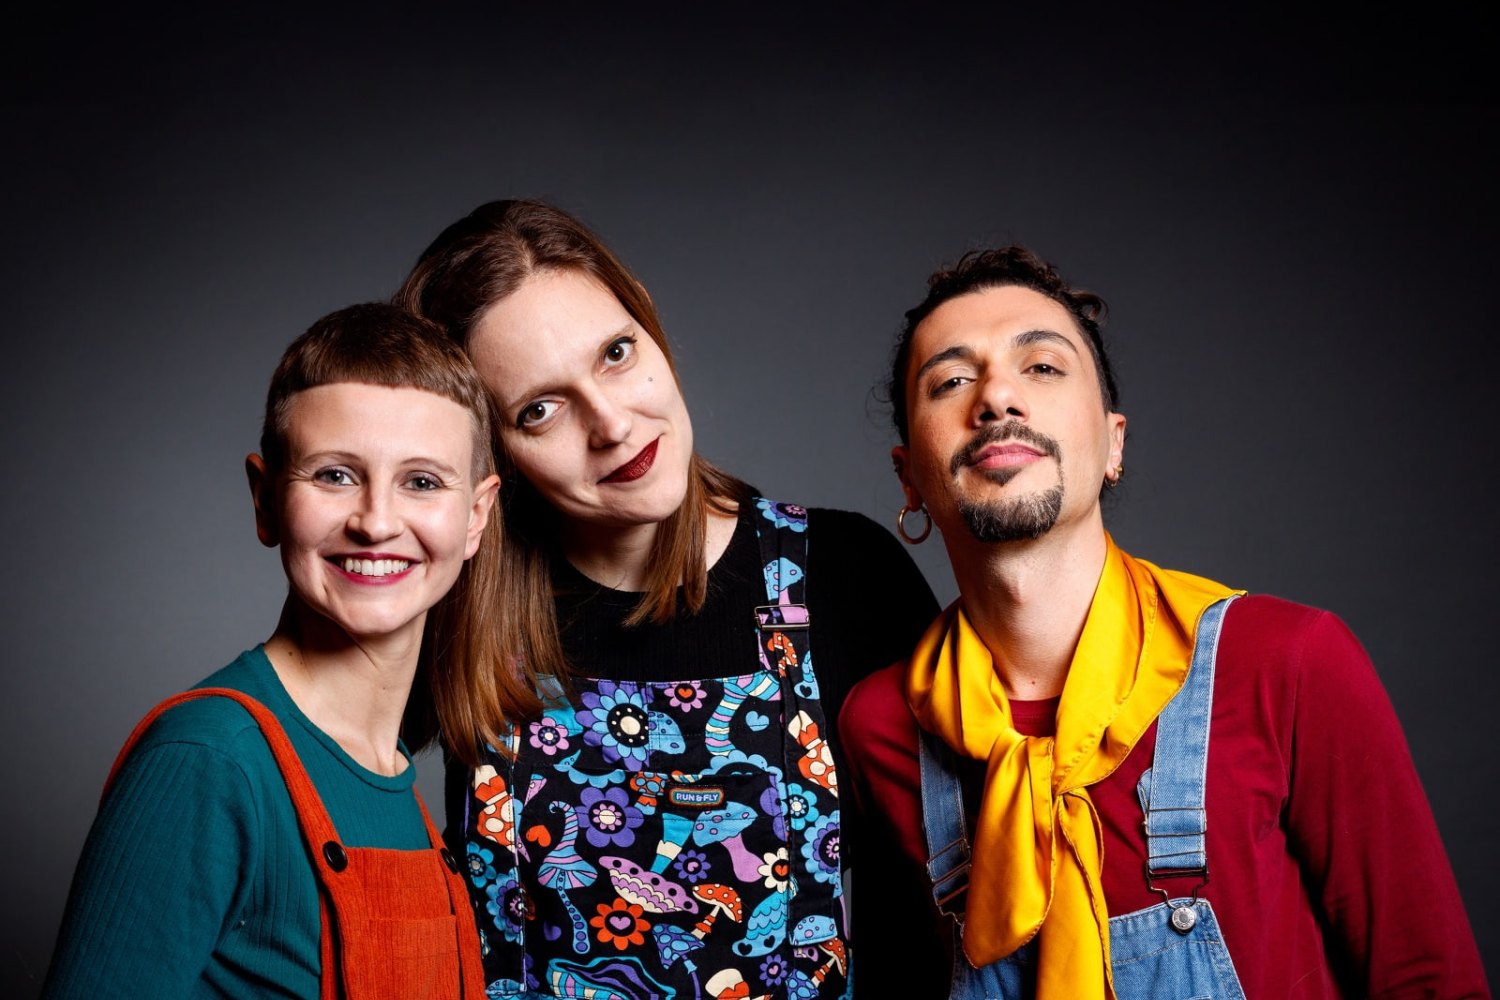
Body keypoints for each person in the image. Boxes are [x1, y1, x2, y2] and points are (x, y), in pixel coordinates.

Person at [839, 247, 1490, 999]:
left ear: (1113, 442)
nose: (998, 398)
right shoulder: (881, 726)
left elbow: (1428, 981)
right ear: (909, 478)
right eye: (952, 381)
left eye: (1042, 367)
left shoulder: (1286, 661)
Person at [394, 199, 938, 999]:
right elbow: (314, 810)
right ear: (488, 452)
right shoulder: (450, 605)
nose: (611, 424)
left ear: (649, 324)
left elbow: (931, 916)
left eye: (616, 353)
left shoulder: (843, 574)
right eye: (540, 410)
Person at [42, 304, 501, 999]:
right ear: (265, 500)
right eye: (335, 475)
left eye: (423, 482)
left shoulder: (399, 780)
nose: (376, 521)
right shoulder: (207, 761)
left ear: (475, 517)